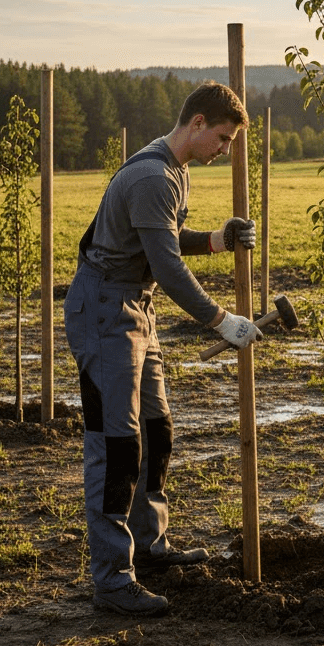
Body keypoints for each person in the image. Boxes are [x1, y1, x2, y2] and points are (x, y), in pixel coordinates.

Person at [64, 81, 263, 616]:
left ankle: (149, 547)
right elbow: (169, 267)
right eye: (222, 138)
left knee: (157, 430)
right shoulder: (153, 175)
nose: (224, 150)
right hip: (106, 310)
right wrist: (221, 321)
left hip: (135, 306)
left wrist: (218, 239)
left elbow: (166, 239)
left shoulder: (175, 169)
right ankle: (112, 577)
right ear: (197, 123)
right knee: (117, 446)